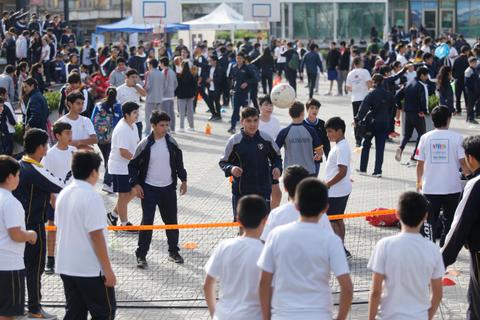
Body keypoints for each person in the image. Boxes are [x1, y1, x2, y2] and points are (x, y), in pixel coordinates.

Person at [258, 178, 353, 320]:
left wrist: (266, 317)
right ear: (326, 208)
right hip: (319, 314)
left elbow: (264, 282)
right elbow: (347, 288)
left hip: (283, 314)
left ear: (296, 205)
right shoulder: (331, 241)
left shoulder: (276, 235)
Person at [55, 150, 116, 319]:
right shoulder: (91, 197)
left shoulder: (63, 194)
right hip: (89, 269)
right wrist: (107, 269)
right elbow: (96, 236)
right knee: (105, 312)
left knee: (74, 313)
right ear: (93, 172)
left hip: (66, 265)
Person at [368, 191, 444, 320]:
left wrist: (371, 317)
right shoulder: (433, 250)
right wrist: (428, 316)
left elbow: (375, 292)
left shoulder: (384, 245)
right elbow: (437, 293)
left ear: (397, 214)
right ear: (425, 216)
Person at [13, 129, 64, 319]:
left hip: (15, 227)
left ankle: (18, 307)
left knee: (19, 267)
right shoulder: (36, 169)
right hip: (33, 228)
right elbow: (60, 185)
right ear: (40, 147)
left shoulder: (19, 165)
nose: (47, 149)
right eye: (46, 145)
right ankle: (34, 308)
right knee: (35, 268)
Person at [131, 111, 187, 266]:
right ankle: (141, 255)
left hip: (168, 189)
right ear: (153, 126)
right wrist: (135, 184)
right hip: (148, 189)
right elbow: (132, 165)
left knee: (171, 221)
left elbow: (179, 164)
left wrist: (184, 180)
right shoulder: (144, 144)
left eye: (167, 125)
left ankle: (174, 252)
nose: (165, 128)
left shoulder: (172, 143)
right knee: (147, 222)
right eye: (162, 125)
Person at [204, 195, 267, 320]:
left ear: (238, 219)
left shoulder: (224, 246)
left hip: (224, 316)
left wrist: (214, 314)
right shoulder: (266, 252)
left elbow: (207, 285)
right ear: (265, 220)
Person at [415, 106, 470, 246]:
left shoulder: (424, 138)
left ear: (432, 121)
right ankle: (445, 246)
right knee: (450, 220)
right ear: (448, 119)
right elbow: (463, 163)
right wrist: (471, 178)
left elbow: (419, 164)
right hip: (452, 188)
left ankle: (429, 247)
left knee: (428, 221)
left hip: (430, 188)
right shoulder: (457, 138)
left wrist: (418, 182)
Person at [219, 107, 282, 220]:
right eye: (248, 121)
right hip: (241, 192)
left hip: (263, 190)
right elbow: (223, 162)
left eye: (255, 120)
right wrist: (231, 168)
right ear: (242, 121)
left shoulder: (266, 139)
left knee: (262, 224)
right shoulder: (234, 141)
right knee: (243, 225)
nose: (252, 124)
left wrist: (277, 167)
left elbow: (277, 157)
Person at [442, 135, 480, 319]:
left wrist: (441, 261)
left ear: (471, 158)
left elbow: (459, 227)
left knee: (477, 304)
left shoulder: (475, 185)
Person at [0, 155, 37, 320]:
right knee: (8, 314)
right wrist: (30, 235)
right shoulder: (10, 202)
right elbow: (15, 234)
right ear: (9, 177)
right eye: (18, 175)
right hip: (9, 266)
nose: (19, 179)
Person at [40, 122, 76, 275]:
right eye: (67, 133)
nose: (70, 136)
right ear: (57, 136)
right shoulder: (49, 155)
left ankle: (71, 258)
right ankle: (50, 259)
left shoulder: (74, 152)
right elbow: (44, 177)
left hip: (72, 198)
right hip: (54, 199)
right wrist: (51, 197)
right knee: (52, 229)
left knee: (72, 228)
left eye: (70, 133)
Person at [261, 165, 332, 241]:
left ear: (285, 188)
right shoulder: (319, 214)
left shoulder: (276, 215)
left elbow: (264, 241)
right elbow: (331, 240)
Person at [107, 102, 140, 230]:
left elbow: (137, 144)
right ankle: (124, 224)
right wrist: (136, 161)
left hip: (128, 166)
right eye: (134, 113)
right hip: (119, 167)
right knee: (123, 195)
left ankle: (113, 215)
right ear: (126, 115)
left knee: (134, 191)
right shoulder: (122, 129)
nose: (137, 115)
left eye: (137, 112)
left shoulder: (133, 126)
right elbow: (123, 152)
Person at [355, 74, 396, 177]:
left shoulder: (372, 93)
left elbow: (363, 108)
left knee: (366, 145)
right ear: (382, 82)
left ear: (374, 82)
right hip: (384, 123)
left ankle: (363, 169)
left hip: (372, 123)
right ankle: (377, 171)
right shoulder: (389, 94)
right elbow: (392, 109)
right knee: (380, 147)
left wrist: (358, 119)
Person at [324, 117, 352, 258]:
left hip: (336, 191)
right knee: (337, 219)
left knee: (332, 220)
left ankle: (339, 250)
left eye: (330, 132)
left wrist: (327, 184)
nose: (328, 135)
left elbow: (342, 172)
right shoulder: (340, 145)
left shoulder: (341, 148)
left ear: (339, 131)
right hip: (340, 190)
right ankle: (341, 248)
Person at [276, 101, 322, 177]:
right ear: (302, 114)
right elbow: (320, 152)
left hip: (291, 173)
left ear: (289, 114)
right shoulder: (311, 130)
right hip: (309, 171)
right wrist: (318, 155)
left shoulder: (284, 132)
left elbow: (275, 150)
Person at [91, 87, 123, 194]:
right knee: (110, 159)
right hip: (112, 137)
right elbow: (121, 121)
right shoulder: (118, 106)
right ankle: (107, 183)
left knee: (107, 159)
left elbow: (92, 120)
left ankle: (110, 181)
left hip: (100, 137)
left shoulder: (99, 106)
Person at [395, 66, 429, 164]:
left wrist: (400, 107)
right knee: (422, 135)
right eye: (426, 75)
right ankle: (414, 156)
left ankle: (400, 148)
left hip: (407, 113)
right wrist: (425, 111)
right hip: (418, 113)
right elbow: (424, 100)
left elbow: (397, 96)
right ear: (422, 75)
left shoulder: (407, 83)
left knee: (407, 135)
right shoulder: (422, 86)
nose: (427, 78)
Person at [346, 57, 372, 147]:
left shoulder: (350, 73)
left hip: (355, 99)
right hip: (364, 98)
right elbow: (369, 83)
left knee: (356, 119)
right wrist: (368, 90)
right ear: (360, 62)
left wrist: (355, 89)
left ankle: (358, 140)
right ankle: (366, 138)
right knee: (366, 118)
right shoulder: (365, 71)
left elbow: (348, 88)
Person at [228, 53, 257, 134]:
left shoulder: (247, 68)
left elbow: (255, 78)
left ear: (243, 59)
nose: (239, 60)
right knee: (235, 111)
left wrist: (247, 83)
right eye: (237, 58)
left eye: (240, 58)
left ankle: (248, 129)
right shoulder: (234, 67)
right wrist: (231, 88)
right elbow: (232, 79)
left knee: (247, 112)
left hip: (245, 93)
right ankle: (232, 127)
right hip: (236, 93)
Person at [303, 98, 330, 175]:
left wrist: (328, 157)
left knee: (313, 181)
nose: (314, 110)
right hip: (303, 159)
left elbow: (326, 142)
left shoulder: (322, 124)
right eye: (312, 108)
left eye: (316, 108)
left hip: (317, 159)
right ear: (307, 109)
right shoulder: (302, 124)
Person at [117, 69, 146, 139]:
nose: (135, 79)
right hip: (126, 120)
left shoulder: (138, 86)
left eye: (136, 77)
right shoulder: (119, 89)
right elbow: (117, 104)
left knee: (138, 140)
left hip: (137, 120)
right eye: (133, 77)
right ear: (127, 78)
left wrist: (135, 86)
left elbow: (144, 94)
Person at [143, 59, 164, 135]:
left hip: (150, 98)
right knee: (158, 116)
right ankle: (158, 130)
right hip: (159, 98)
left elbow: (147, 86)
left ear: (151, 65)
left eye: (148, 64)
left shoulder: (149, 73)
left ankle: (147, 131)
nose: (148, 66)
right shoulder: (161, 73)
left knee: (148, 115)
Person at [176, 61, 196, 131]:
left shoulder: (179, 76)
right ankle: (192, 126)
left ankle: (181, 127)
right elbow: (194, 86)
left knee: (181, 112)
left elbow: (177, 86)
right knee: (190, 111)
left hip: (181, 96)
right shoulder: (191, 76)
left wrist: (176, 94)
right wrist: (194, 94)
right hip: (190, 95)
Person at [159, 57, 178, 132]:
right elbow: (176, 83)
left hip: (165, 96)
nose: (159, 65)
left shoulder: (164, 72)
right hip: (171, 95)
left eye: (160, 63)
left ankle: (167, 129)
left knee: (165, 114)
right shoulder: (172, 71)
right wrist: (172, 90)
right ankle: (172, 128)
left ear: (163, 63)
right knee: (171, 112)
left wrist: (161, 93)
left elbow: (164, 85)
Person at [206, 55, 226, 121]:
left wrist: (212, 79)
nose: (210, 62)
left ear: (215, 61)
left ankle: (218, 115)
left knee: (216, 102)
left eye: (211, 61)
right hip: (210, 88)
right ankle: (213, 114)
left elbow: (220, 79)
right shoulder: (209, 68)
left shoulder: (219, 69)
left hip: (217, 88)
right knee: (209, 102)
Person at [452, 46, 470, 115]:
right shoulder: (468, 60)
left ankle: (458, 110)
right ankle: (468, 108)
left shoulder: (456, 59)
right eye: (468, 51)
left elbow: (453, 70)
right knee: (466, 96)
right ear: (466, 51)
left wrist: (455, 77)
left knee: (458, 96)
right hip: (465, 80)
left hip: (457, 80)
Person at [464, 56, 480, 124]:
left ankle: (470, 117)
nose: (475, 63)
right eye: (473, 62)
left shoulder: (475, 69)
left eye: (475, 62)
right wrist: (472, 90)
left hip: (475, 90)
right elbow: (467, 83)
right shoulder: (468, 71)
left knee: (473, 104)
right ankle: (470, 118)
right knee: (471, 105)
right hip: (471, 91)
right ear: (470, 63)